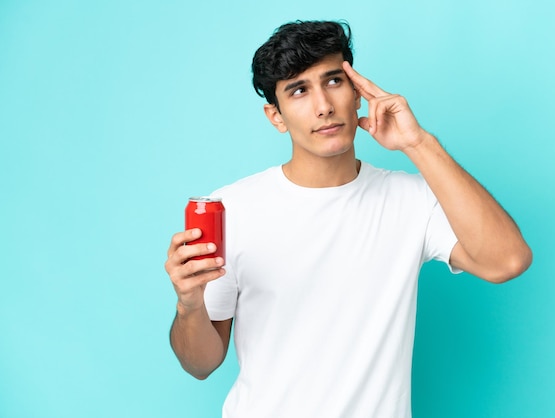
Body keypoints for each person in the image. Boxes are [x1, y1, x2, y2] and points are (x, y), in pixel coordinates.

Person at [165, 20, 532, 418]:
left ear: (357, 93)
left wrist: (418, 143)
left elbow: (507, 261)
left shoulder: (411, 199)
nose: (323, 105)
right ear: (276, 116)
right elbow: (200, 364)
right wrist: (188, 305)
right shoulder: (232, 208)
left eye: (334, 81)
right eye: (299, 90)